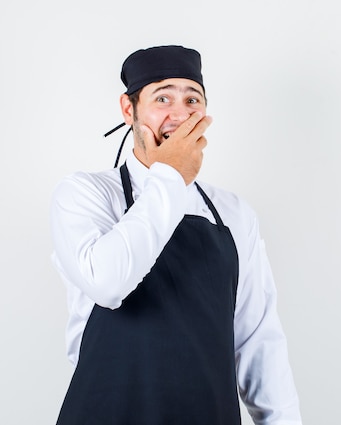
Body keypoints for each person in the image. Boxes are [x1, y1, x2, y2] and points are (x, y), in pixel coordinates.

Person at [50, 45, 302, 425]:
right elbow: (108, 283)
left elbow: (257, 341)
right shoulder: (86, 194)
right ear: (127, 109)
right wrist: (171, 176)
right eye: (163, 97)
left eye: (192, 99)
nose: (180, 114)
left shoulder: (234, 213)